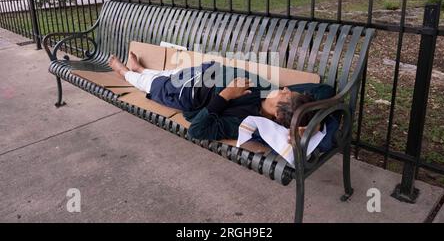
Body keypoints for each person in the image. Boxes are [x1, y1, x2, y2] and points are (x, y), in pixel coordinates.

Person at [108, 53, 336, 142]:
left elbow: (197, 130)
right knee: (168, 75)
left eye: (285, 95)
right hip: (203, 72)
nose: (285, 89)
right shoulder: (270, 93)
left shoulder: (246, 124)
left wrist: (226, 95)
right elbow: (324, 89)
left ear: (277, 114)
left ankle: (125, 72)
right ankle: (139, 69)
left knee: (157, 84)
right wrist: (314, 126)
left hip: (187, 94)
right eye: (287, 90)